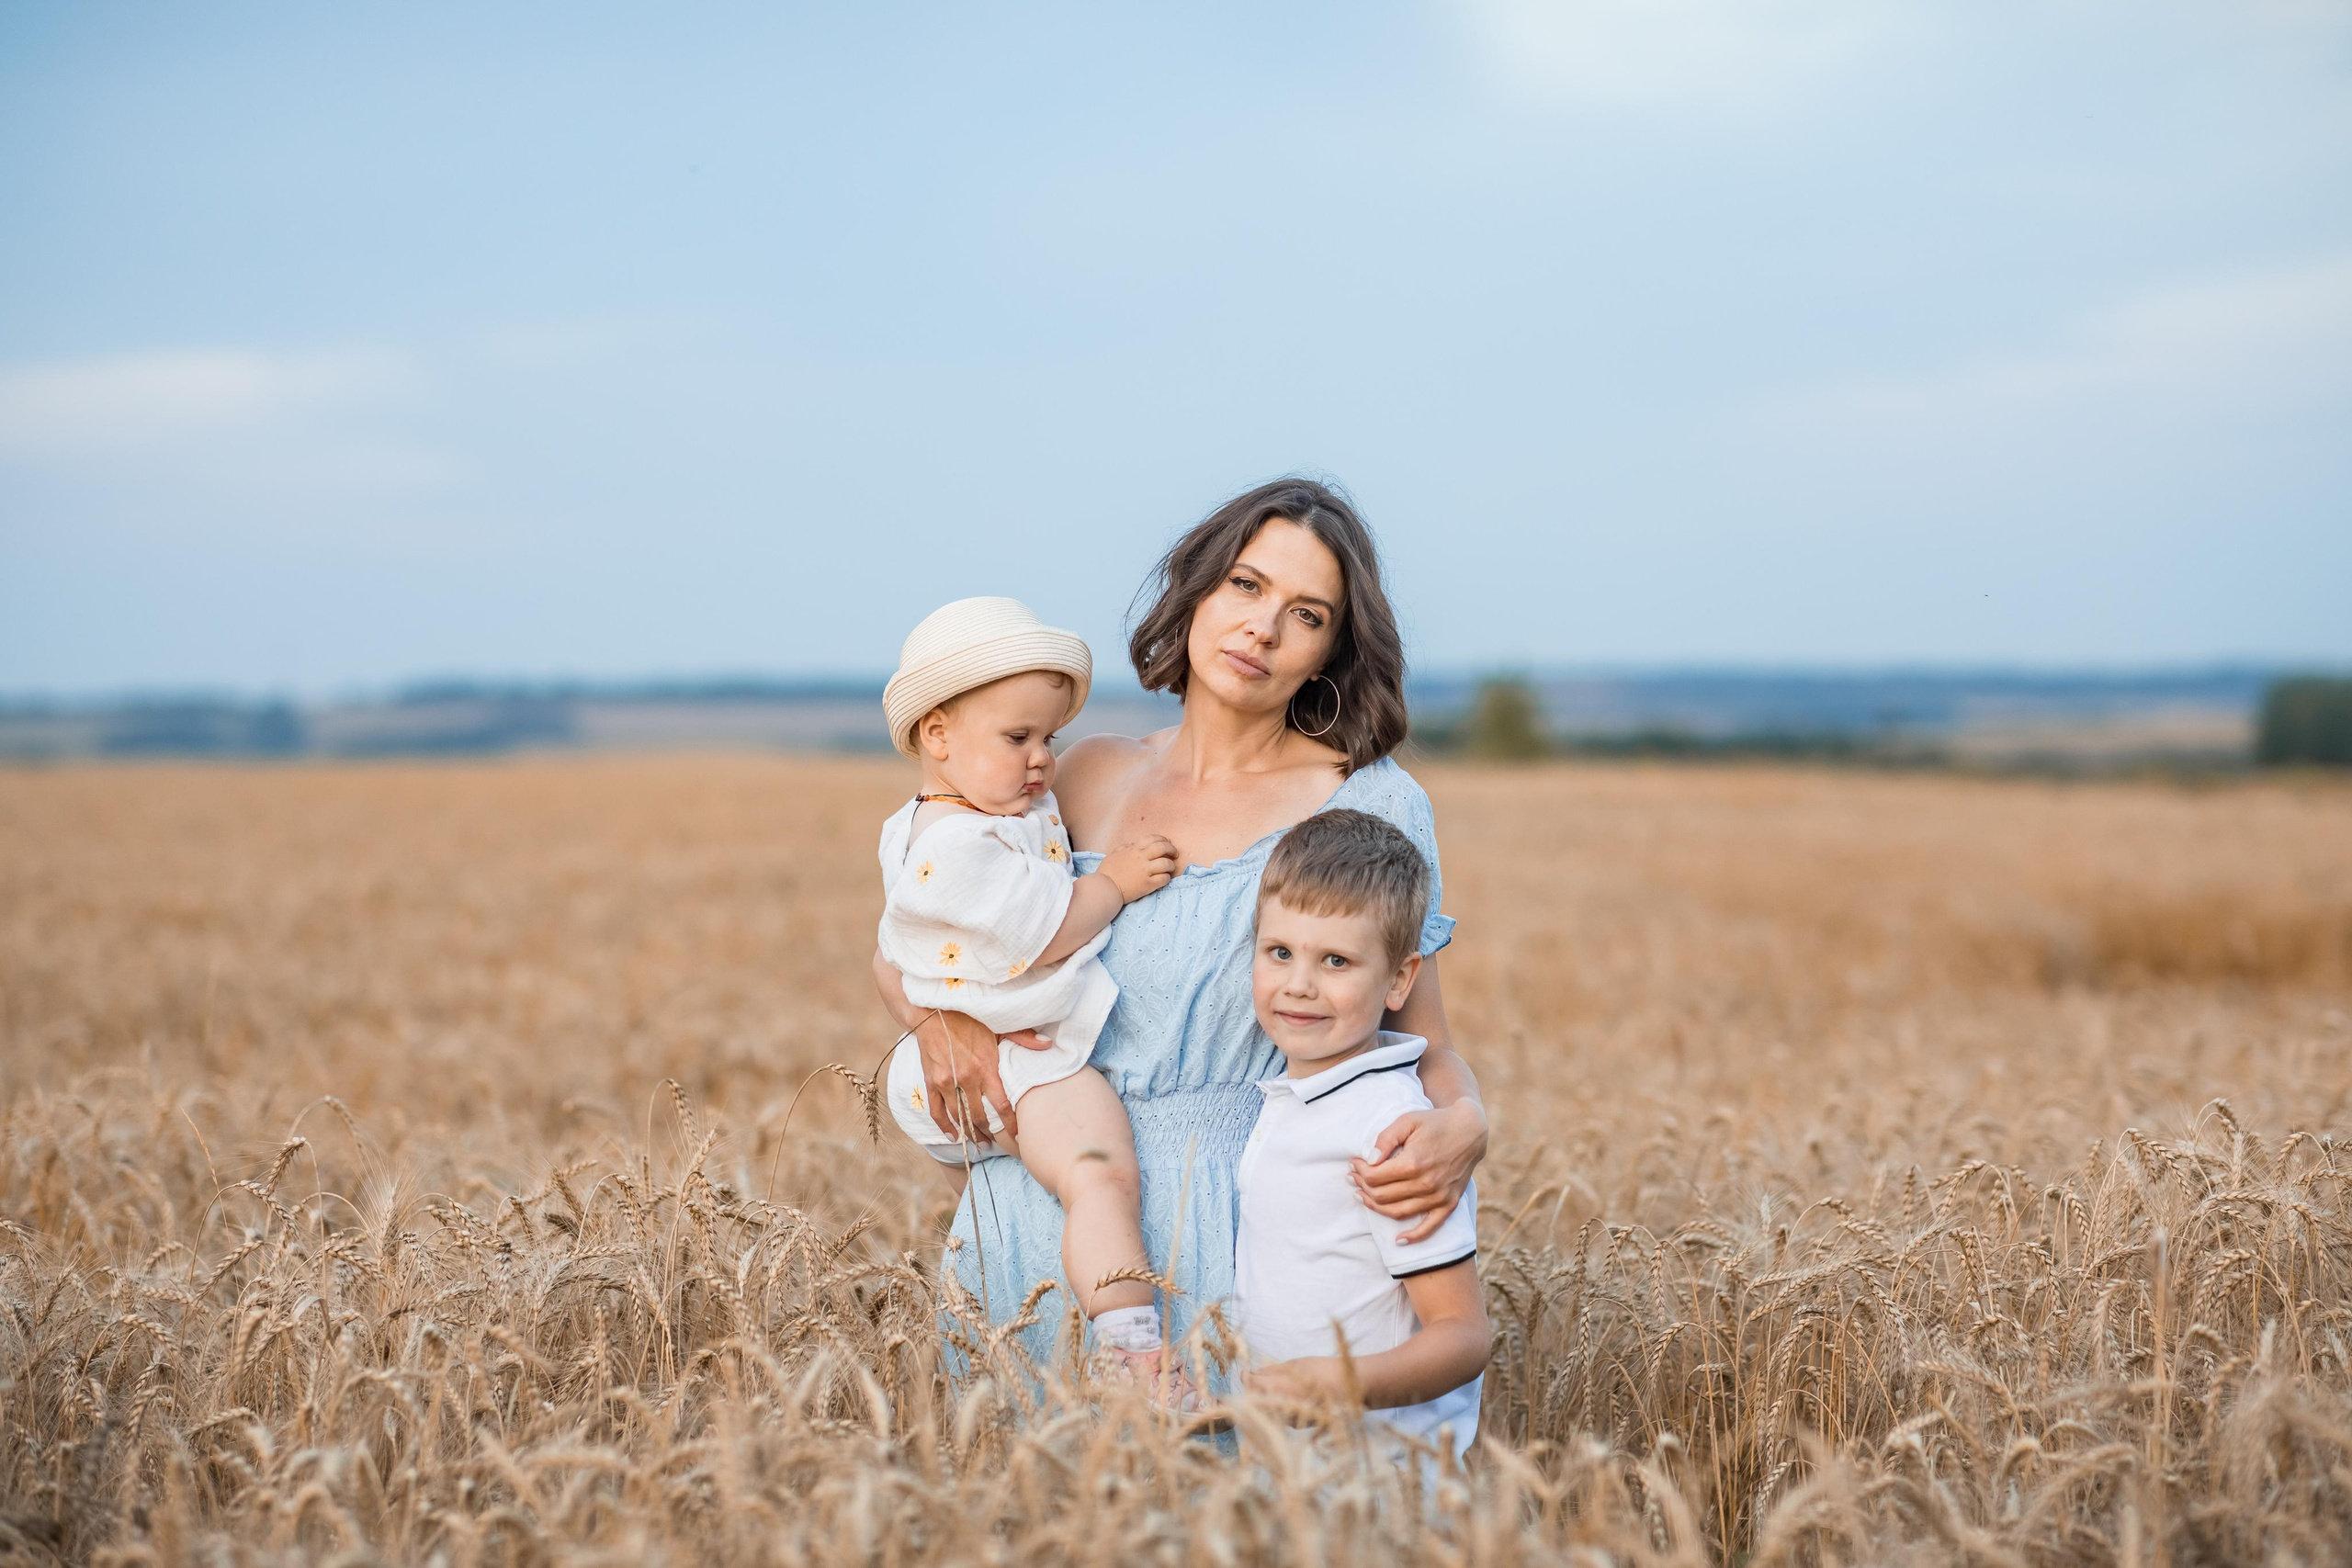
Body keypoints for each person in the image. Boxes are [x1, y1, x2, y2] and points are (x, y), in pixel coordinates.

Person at [872, 478, 1487, 1373]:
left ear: (1329, 654)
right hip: (1026, 1221)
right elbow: (912, 941)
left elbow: (1423, 1042)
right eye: (1244, 585)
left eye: (1306, 614)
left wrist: (1467, 1121)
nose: (1262, 629)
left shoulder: (1369, 802)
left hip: (1234, 1233)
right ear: (1196, 590)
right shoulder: (1076, 774)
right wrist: (938, 1024)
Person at [873, 595, 1186, 1385]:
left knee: (1007, 1214)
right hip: (1019, 1063)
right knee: (1101, 1177)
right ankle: (1134, 1353)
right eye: (1017, 738)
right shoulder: (960, 843)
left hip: (963, 1069)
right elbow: (1045, 932)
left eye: (1050, 736)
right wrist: (1114, 881)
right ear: (937, 735)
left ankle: (1006, 1313)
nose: (1042, 759)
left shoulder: (940, 820)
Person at [1235, 809, 1487, 1459]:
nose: (1299, 984)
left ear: (1400, 979)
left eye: (1337, 960)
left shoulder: (1391, 1131)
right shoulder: (1298, 1098)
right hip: (1295, 1469)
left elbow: (1461, 1334)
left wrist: (1346, 1383)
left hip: (1386, 1475)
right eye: (1280, 952)